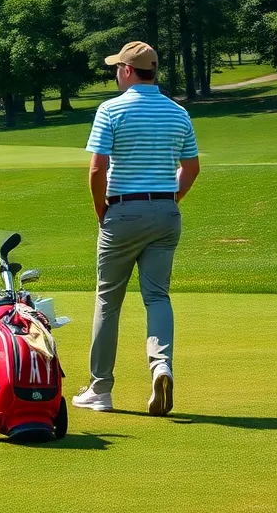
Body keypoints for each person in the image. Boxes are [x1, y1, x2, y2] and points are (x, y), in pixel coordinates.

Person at [72, 41, 200, 417]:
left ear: (128, 71)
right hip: (165, 211)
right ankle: (161, 366)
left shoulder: (111, 109)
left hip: (122, 211)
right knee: (157, 297)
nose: (115, 74)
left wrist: (102, 212)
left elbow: (97, 169)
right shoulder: (178, 113)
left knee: (108, 300)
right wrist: (169, 201)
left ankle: (101, 390)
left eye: (117, 68)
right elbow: (191, 169)